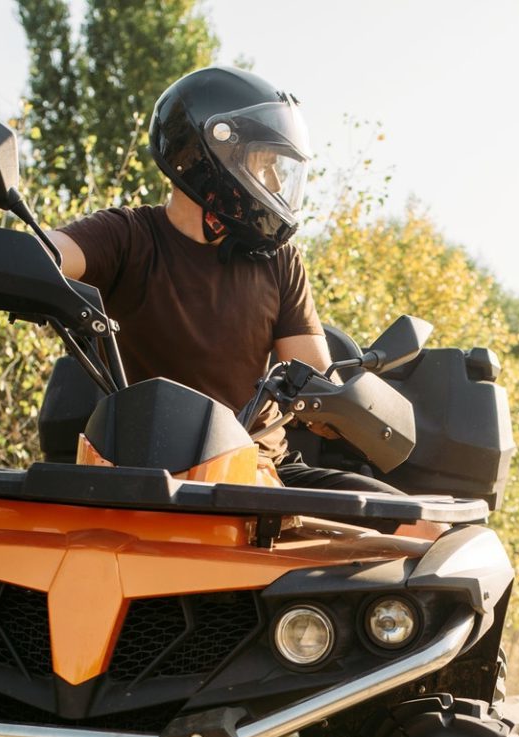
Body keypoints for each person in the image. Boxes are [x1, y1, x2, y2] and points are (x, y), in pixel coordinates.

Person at [45, 65, 394, 492]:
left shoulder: (277, 260)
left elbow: (317, 377)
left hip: (255, 467)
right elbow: (46, 255)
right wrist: (2, 263)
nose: (275, 182)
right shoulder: (128, 235)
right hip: (135, 468)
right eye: (264, 164)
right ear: (214, 155)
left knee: (419, 528)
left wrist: (350, 411)